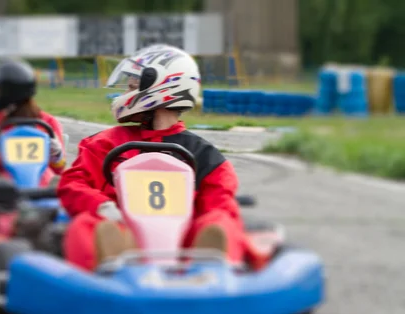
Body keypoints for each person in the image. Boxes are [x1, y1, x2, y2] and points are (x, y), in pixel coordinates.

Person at [56, 44, 269, 272]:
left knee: (220, 221)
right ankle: (110, 266)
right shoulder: (104, 144)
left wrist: (209, 221)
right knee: (87, 225)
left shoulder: (204, 155)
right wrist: (102, 207)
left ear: (161, 86)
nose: (126, 93)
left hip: (182, 240)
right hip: (121, 226)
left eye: (132, 85)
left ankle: (208, 266)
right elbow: (73, 184)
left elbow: (219, 200)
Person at [0, 58, 66, 184]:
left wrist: (56, 154)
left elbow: (59, 168)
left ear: (6, 92)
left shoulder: (47, 122)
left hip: (39, 186)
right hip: (2, 185)